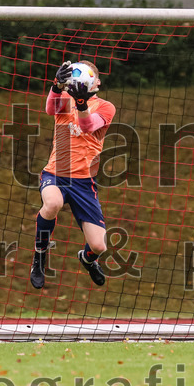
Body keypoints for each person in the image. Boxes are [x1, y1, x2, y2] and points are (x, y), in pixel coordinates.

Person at [30, 60, 116, 289]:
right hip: (55, 174)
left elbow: (88, 126)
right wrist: (56, 87)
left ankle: (87, 260)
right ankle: (39, 256)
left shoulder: (106, 107)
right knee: (52, 203)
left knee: (99, 246)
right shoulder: (65, 99)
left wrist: (81, 103)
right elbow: (50, 109)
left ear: (97, 82)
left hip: (84, 182)